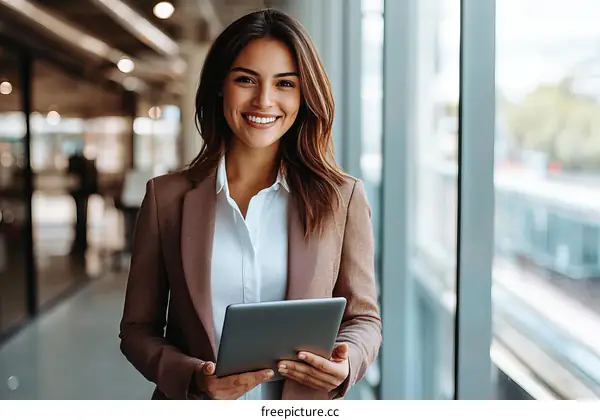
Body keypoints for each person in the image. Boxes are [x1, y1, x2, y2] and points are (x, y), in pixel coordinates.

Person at [118, 8, 381, 400]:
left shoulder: (341, 198)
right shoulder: (166, 199)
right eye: (246, 80)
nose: (264, 100)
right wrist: (193, 378)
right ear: (221, 86)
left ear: (304, 93)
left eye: (285, 84)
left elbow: (364, 319)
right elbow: (138, 330)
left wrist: (347, 363)